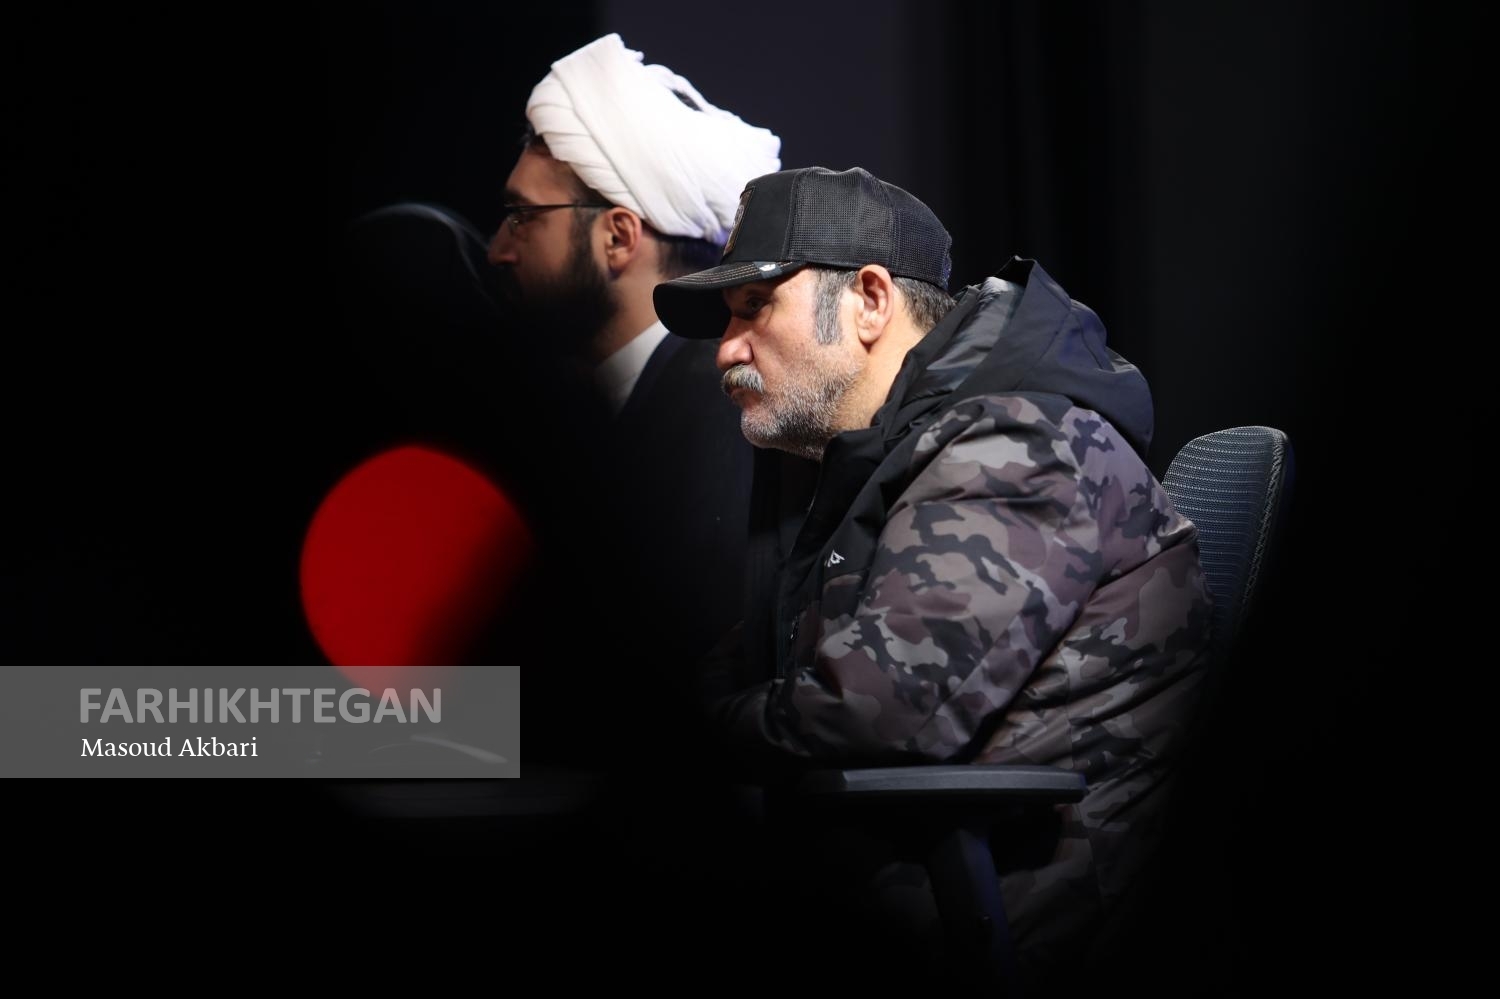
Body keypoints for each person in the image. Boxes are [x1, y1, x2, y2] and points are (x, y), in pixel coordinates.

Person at [653, 166, 1214, 987]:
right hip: (888, 887)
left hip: (987, 918)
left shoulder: (1017, 446)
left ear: (870, 300)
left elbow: (876, 707)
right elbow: (760, 656)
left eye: (755, 307)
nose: (727, 350)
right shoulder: (884, 458)